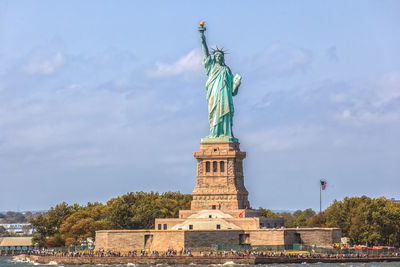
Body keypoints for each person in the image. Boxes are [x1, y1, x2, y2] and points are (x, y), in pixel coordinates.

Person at [199, 28, 242, 139]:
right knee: (214, 113)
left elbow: (233, 90)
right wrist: (202, 38)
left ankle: (226, 133)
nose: (218, 57)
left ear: (222, 58)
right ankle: (214, 133)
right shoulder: (211, 66)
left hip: (224, 95)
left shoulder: (226, 69)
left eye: (220, 56)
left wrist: (236, 84)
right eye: (216, 56)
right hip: (214, 93)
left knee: (225, 112)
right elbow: (205, 53)